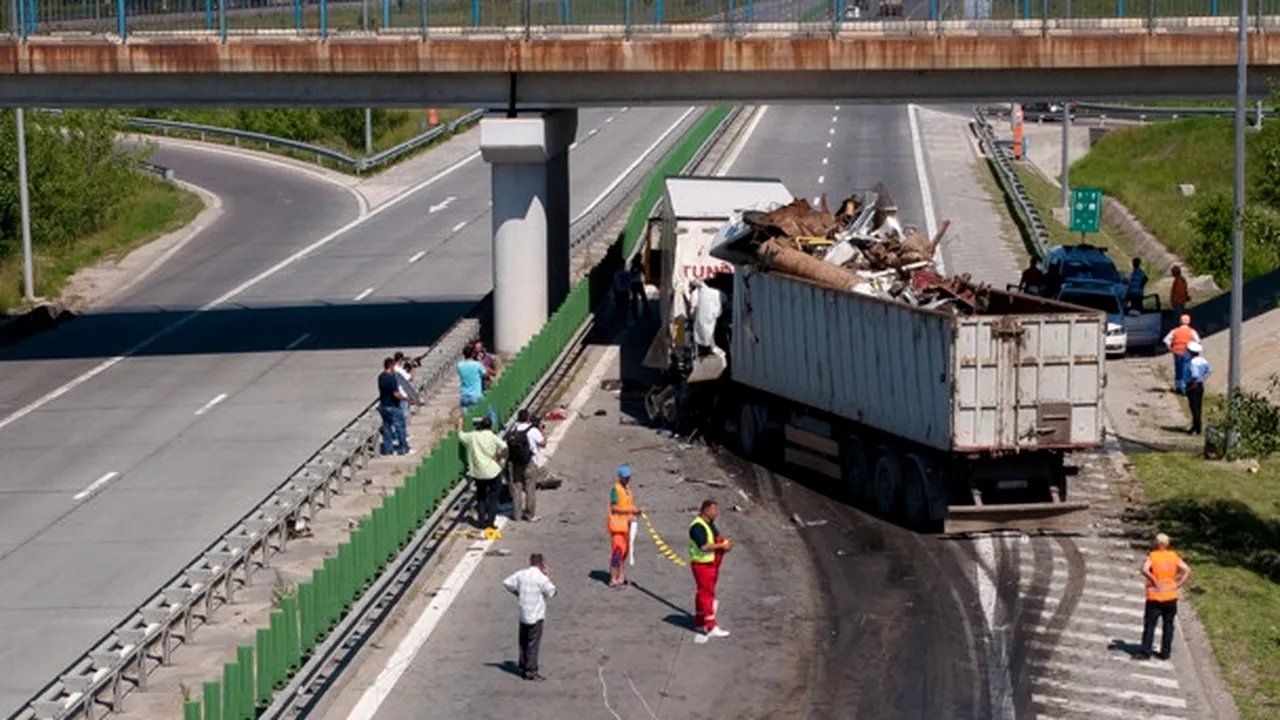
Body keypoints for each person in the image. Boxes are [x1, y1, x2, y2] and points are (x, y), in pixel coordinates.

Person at [502, 553, 557, 681]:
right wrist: (547, 575)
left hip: (523, 613)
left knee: (523, 642)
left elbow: (507, 583)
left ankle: (522, 666)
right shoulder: (541, 578)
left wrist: (518, 593)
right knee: (533, 643)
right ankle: (531, 671)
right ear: (542, 564)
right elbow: (552, 592)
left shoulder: (521, 574)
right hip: (536, 615)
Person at [1137, 533, 1191, 661]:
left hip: (1155, 596)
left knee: (1150, 625)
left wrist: (1154, 580)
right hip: (1171, 596)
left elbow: (1144, 569)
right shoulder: (1173, 556)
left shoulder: (1153, 556)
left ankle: (1146, 651)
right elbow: (1187, 570)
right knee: (1168, 625)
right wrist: (1178, 584)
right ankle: (1165, 653)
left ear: (1158, 544)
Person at [688, 499, 732, 643]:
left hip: (710, 563)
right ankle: (711, 626)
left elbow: (715, 538)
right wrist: (720, 546)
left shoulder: (709, 524)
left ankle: (700, 621)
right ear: (705, 510)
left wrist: (724, 543)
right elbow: (704, 546)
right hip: (702, 564)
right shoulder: (697, 526)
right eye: (714, 510)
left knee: (703, 592)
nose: (716, 513)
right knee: (707, 594)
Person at [456, 414, 507, 529]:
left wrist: (459, 425)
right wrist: (498, 457)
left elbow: (460, 436)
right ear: (491, 426)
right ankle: (490, 522)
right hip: (493, 471)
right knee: (493, 498)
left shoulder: (473, 436)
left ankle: (481, 521)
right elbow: (504, 447)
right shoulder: (493, 436)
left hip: (478, 472)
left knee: (481, 497)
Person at [506, 409, 546, 522]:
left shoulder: (513, 429)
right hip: (529, 462)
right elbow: (543, 444)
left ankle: (517, 515)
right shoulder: (533, 430)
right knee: (530, 489)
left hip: (515, 463)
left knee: (516, 489)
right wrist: (542, 431)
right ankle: (530, 515)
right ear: (528, 419)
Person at [608, 465, 642, 588]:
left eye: (629, 477)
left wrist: (634, 513)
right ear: (620, 477)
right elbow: (614, 508)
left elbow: (629, 506)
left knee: (624, 554)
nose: (628, 480)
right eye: (625, 477)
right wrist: (631, 510)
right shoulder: (615, 490)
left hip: (627, 526)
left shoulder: (628, 489)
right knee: (617, 553)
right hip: (617, 527)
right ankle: (613, 578)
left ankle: (621, 576)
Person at [377, 357, 410, 456]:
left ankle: (388, 450)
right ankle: (403, 448)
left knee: (387, 428)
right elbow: (396, 394)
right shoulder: (392, 378)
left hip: (383, 406)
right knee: (400, 427)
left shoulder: (381, 377)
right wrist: (406, 399)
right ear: (391, 366)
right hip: (393, 406)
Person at [1162, 314, 1201, 395]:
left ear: (1180, 321)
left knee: (1178, 370)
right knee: (1186, 370)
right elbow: (1197, 341)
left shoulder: (1174, 331)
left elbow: (1166, 340)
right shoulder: (1192, 331)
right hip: (1187, 352)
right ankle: (1185, 389)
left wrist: (1170, 349)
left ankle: (1178, 387)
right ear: (1189, 322)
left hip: (1177, 352)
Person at [1186, 342, 1211, 436]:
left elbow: (1194, 375)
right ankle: (1196, 426)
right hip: (1200, 385)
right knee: (1198, 406)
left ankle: (1196, 427)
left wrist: (1193, 382)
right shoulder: (1203, 360)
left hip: (1193, 385)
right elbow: (1209, 370)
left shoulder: (1193, 362)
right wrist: (1203, 378)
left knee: (1193, 407)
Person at [458, 345, 487, 410]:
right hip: (476, 395)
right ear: (473, 354)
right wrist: (480, 361)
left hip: (464, 395)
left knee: (467, 418)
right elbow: (485, 375)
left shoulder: (459, 365)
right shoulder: (477, 364)